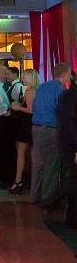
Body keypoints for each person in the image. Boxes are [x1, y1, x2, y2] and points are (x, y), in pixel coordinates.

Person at [31, 62, 71, 208]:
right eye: (69, 74)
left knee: (38, 163)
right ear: (64, 74)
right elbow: (61, 110)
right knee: (51, 165)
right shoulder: (60, 89)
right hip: (51, 129)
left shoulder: (42, 87)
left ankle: (34, 196)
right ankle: (47, 199)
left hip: (36, 127)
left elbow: (35, 106)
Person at [9, 69, 40, 194]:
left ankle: (18, 181)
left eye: (25, 76)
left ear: (30, 78)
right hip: (34, 123)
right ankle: (35, 182)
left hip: (27, 123)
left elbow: (31, 110)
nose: (23, 78)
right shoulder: (37, 90)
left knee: (20, 154)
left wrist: (18, 107)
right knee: (33, 154)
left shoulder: (29, 91)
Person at [57, 76, 77, 228]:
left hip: (67, 143)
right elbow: (70, 123)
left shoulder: (66, 94)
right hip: (72, 144)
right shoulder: (70, 95)